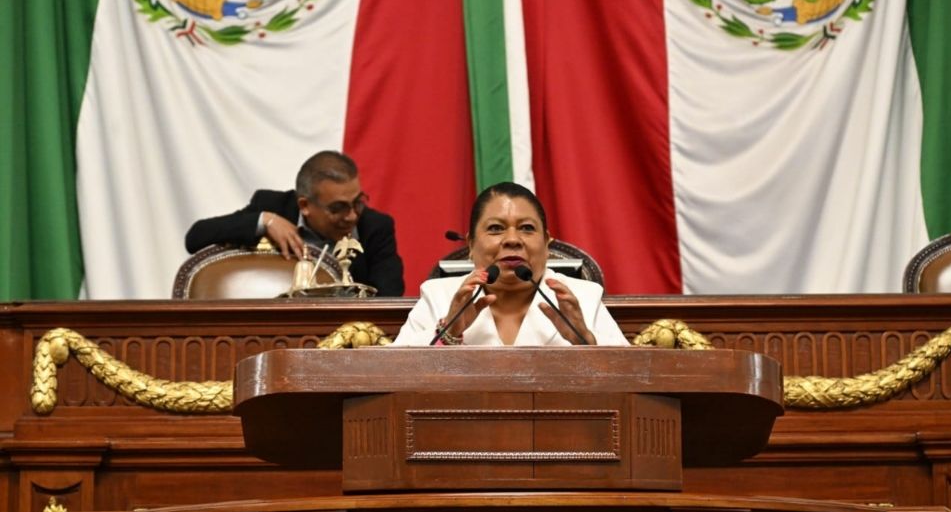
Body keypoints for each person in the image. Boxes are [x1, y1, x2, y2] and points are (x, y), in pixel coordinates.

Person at [393, 182, 628, 346]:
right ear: (471, 244)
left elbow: (628, 375)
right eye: (496, 228)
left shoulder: (583, 296)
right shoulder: (439, 296)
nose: (513, 240)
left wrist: (585, 341)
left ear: (546, 243)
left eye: (527, 228)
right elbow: (394, 373)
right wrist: (448, 333)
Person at [184, 150, 404, 296]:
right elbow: (195, 237)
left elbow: (390, 295)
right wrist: (265, 220)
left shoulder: (375, 227)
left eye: (358, 202)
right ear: (305, 205)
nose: (352, 216)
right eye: (338, 208)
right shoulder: (274, 206)